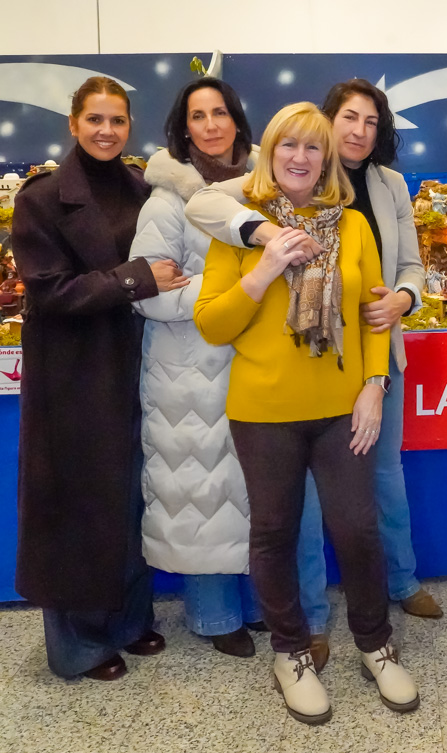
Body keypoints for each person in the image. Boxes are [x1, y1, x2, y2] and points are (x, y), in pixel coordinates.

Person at [185, 81, 439, 657]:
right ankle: (310, 623)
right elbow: (207, 232)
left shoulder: (374, 200)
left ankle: (395, 596)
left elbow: (402, 272)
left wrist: (401, 302)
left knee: (372, 499)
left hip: (359, 373)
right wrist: (264, 242)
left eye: (371, 122)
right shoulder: (252, 209)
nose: (358, 130)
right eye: (349, 117)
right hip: (274, 398)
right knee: (290, 519)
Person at [12, 77, 187, 680]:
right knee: (77, 505)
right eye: (95, 119)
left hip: (133, 361)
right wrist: (135, 279)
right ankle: (78, 643)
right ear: (73, 123)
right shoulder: (42, 198)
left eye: (117, 120)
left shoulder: (143, 188)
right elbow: (50, 291)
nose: (106, 131)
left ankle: (128, 621)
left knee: (131, 497)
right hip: (72, 373)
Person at [129, 78, 268, 658]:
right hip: (186, 371)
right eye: (198, 115)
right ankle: (214, 616)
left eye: (220, 113)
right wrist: (230, 294)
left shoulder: (265, 188)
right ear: (183, 129)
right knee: (200, 493)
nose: (211, 125)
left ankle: (259, 603)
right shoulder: (166, 202)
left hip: (255, 365)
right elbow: (148, 293)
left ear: (237, 120)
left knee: (253, 491)